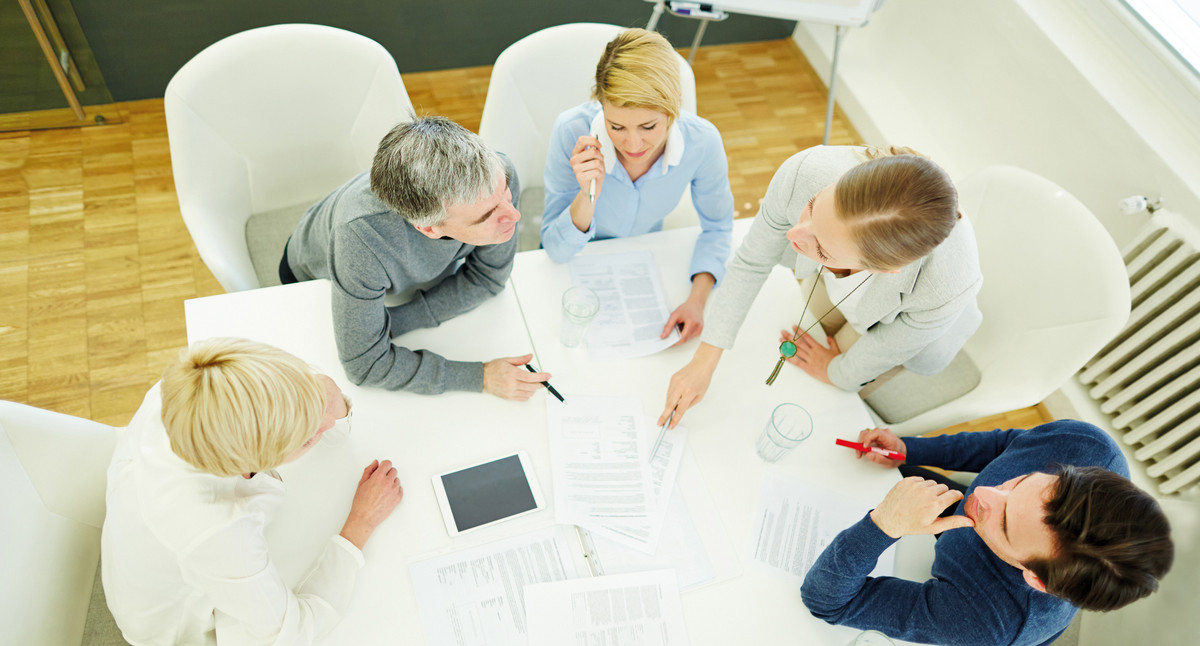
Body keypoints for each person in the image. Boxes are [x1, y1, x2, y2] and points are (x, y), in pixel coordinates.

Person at [101, 338, 405, 645]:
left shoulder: (191, 389)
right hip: (172, 622)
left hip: (134, 552)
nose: (324, 426)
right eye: (307, 440)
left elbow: (328, 421)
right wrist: (360, 523)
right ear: (250, 464)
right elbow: (295, 633)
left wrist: (321, 389)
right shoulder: (217, 532)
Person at [660, 145, 981, 427]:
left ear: (884, 269)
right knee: (819, 323)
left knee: (838, 385)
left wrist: (835, 372)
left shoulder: (944, 287)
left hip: (898, 324)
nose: (793, 235)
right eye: (813, 207)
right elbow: (752, 262)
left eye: (823, 248)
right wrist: (704, 360)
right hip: (839, 288)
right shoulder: (807, 171)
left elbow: (882, 350)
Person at [800, 421, 1174, 645]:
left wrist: (884, 524)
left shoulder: (989, 623)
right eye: (1022, 480)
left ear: (1034, 578)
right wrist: (908, 449)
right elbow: (1005, 445)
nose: (982, 493)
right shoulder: (1086, 445)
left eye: (1007, 523)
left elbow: (827, 601)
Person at [280, 115, 549, 400]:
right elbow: (364, 365)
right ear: (428, 228)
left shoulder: (497, 173)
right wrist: (480, 376)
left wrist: (395, 322)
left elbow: (489, 277)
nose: (515, 215)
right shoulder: (360, 236)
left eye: (506, 196)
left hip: (401, 281)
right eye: (486, 216)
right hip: (315, 277)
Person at [542, 28, 734, 344]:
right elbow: (555, 250)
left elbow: (718, 228)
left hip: (645, 261)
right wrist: (589, 192)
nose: (633, 143)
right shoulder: (571, 131)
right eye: (616, 126)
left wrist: (697, 300)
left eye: (649, 126)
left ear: (674, 106)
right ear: (599, 104)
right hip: (573, 270)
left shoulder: (703, 142)